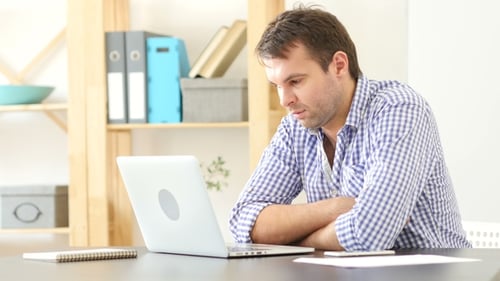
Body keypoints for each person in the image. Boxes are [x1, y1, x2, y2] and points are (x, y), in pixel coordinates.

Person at [229, 5, 471, 251]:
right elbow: (243, 223)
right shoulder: (295, 128)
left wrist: (292, 241)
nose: (284, 100)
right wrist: (334, 208)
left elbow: (369, 235)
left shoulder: (399, 109)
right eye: (276, 85)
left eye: (295, 81)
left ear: (339, 65)